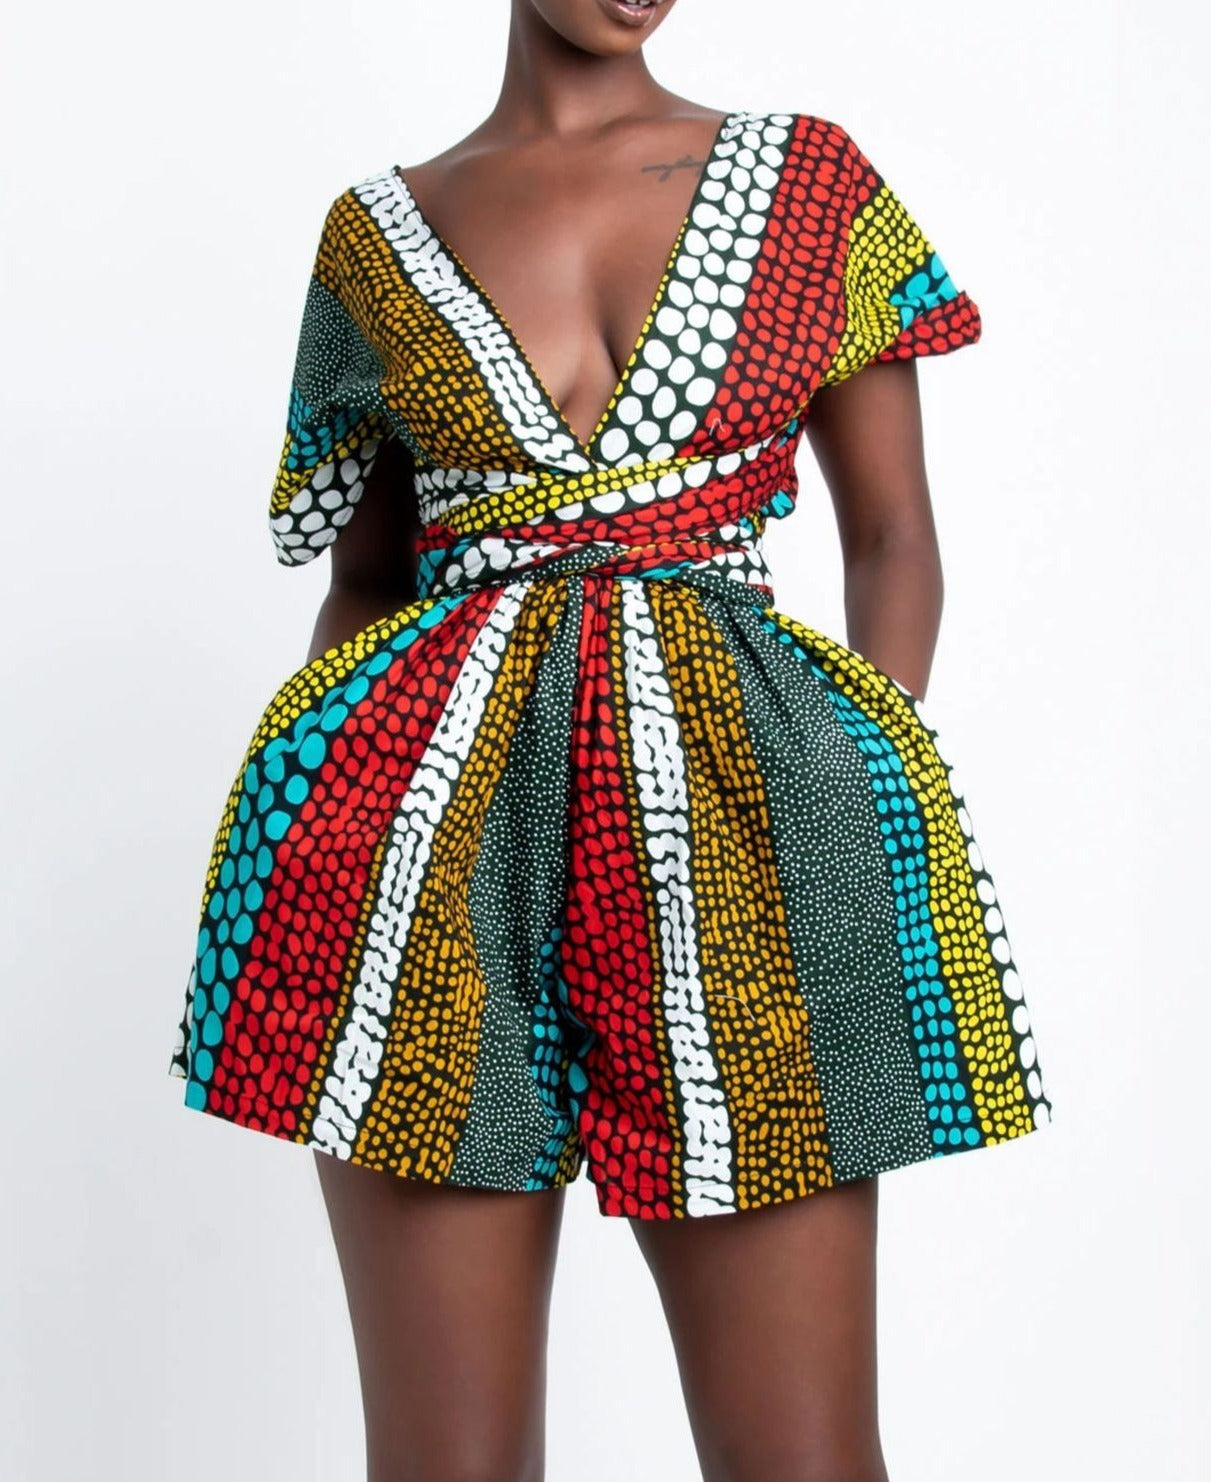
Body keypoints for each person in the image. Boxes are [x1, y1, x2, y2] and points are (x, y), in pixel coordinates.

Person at [167, 2, 1052, 1477]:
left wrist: (853, 786)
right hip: (426, 866)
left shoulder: (807, 179)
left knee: (804, 1459)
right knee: (446, 1466)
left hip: (749, 852)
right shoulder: (378, 233)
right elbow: (367, 581)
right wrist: (346, 838)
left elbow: (896, 540)